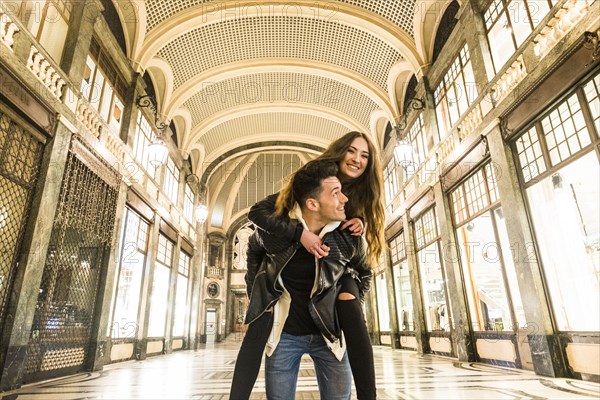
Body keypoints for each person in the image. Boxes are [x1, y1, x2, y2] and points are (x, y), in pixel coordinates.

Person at [230, 131, 385, 399]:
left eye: (365, 155)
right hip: (287, 323)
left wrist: (361, 222)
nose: (357, 159)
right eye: (352, 151)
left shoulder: (358, 200)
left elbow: (365, 267)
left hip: (334, 296)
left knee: (349, 301)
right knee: (256, 329)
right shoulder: (312, 179)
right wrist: (298, 235)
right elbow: (257, 217)